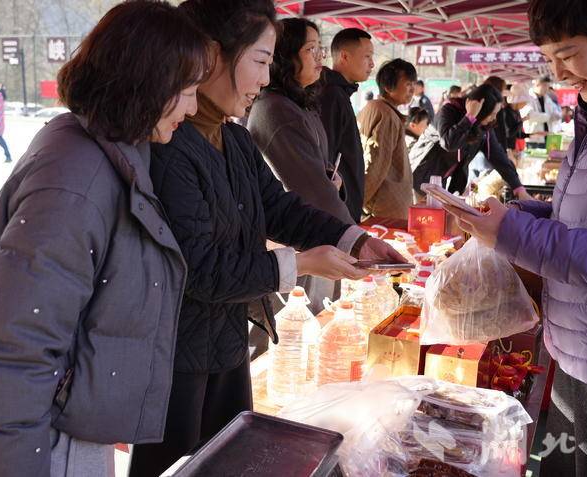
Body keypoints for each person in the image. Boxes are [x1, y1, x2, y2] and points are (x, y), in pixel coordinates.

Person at [128, 2, 404, 475]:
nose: (264, 78)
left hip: (229, 342)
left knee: (231, 460)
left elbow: (279, 208)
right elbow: (202, 268)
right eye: (259, 61)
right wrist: (300, 266)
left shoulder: (233, 139)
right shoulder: (169, 148)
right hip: (177, 360)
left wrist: (350, 238)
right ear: (210, 57)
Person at [0, 3, 211, 476]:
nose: (192, 107)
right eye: (186, 92)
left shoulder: (109, 151)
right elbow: (10, 349)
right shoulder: (76, 182)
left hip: (63, 422)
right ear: (147, 84)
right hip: (43, 439)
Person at [445, 0, 587, 475]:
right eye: (549, 57)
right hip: (582, 361)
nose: (558, 73)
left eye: (567, 55)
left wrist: (511, 232)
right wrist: (517, 216)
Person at [247, 17, 351, 313]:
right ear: (285, 56)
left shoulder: (299, 105)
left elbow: (318, 174)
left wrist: (334, 183)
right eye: (311, 49)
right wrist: (354, 242)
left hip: (313, 238)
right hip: (294, 249)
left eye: (321, 49)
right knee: (294, 334)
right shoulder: (276, 110)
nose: (320, 57)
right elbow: (308, 190)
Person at [412, 83, 531, 199]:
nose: (494, 119)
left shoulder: (484, 127)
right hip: (419, 177)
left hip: (440, 181)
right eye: (492, 114)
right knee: (420, 217)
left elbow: (498, 156)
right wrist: (469, 117)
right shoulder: (449, 111)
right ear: (481, 109)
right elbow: (449, 143)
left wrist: (518, 188)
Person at [318, 27, 375, 223]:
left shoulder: (339, 93)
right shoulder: (331, 96)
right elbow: (326, 159)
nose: (372, 64)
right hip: (337, 214)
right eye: (367, 56)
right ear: (344, 56)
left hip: (346, 208)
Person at [357, 59, 417, 221]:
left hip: (384, 205)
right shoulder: (386, 114)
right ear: (388, 87)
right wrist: (358, 202)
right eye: (407, 84)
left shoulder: (375, 108)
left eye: (413, 84)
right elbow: (376, 162)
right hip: (384, 208)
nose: (412, 89)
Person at [522, 75, 562, 142]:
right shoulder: (528, 98)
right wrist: (548, 116)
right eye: (545, 86)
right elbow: (530, 115)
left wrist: (557, 115)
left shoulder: (548, 99)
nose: (547, 89)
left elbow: (555, 112)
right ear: (537, 84)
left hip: (548, 137)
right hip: (534, 137)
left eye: (548, 86)